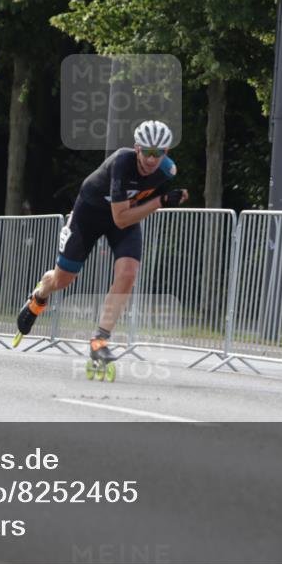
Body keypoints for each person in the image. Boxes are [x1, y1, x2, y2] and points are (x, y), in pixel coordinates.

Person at [14, 120, 188, 379]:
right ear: (137, 148)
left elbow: (128, 216)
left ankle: (100, 340)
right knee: (63, 279)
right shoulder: (122, 162)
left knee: (128, 273)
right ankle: (39, 295)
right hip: (90, 216)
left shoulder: (167, 171)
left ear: (166, 153)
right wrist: (160, 202)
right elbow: (121, 217)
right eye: (148, 152)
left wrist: (155, 202)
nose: (152, 159)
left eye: (159, 152)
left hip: (124, 219)